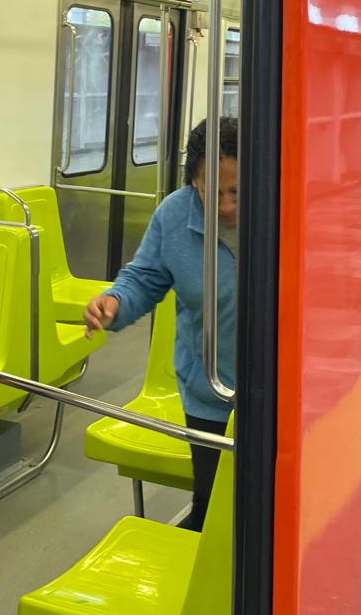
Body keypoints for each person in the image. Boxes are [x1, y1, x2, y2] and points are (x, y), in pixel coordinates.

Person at [83, 117, 238, 532]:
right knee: (212, 506)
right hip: (210, 391)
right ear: (193, 183)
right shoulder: (175, 215)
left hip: (281, 397)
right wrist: (114, 303)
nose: (225, 205)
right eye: (212, 192)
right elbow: (145, 277)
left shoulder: (285, 211)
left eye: (237, 192)